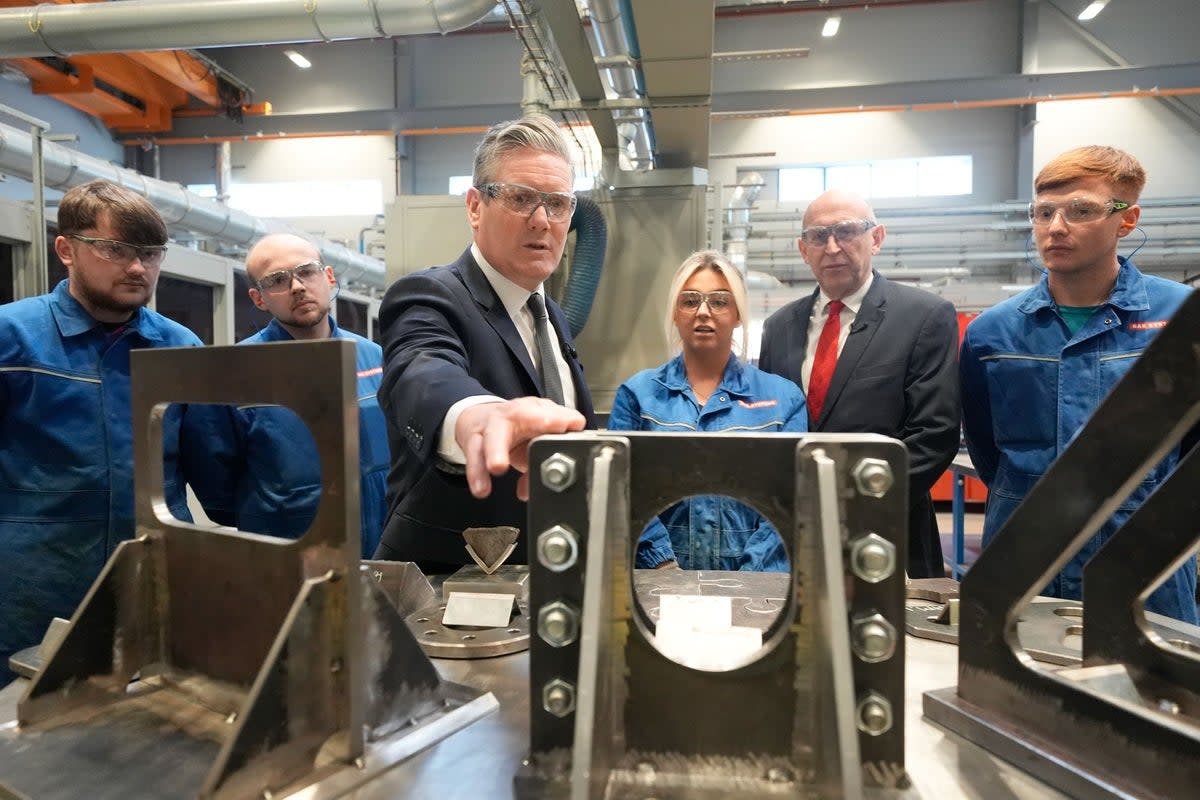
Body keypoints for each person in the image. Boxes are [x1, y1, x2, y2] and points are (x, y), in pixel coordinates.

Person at [960, 145, 1198, 623]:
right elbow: (989, 452)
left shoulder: (1180, 318)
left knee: (1151, 690)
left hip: (1146, 559)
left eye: (1081, 210)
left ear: (1126, 220)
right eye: (1043, 212)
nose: (1055, 227)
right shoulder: (992, 332)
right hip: (1023, 555)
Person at [0, 179, 201, 678]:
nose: (138, 268)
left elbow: (211, 467)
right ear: (66, 249)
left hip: (156, 579)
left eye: (151, 253)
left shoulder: (179, 347)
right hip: (34, 587)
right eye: (115, 249)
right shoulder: (11, 337)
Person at [373, 115, 592, 571]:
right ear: (475, 206)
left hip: (540, 574)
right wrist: (476, 415)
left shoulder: (549, 316)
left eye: (557, 204)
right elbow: (422, 369)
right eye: (521, 198)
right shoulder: (430, 295)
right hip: (444, 586)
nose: (541, 220)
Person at [758, 190, 960, 578]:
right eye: (818, 236)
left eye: (846, 231)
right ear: (803, 249)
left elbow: (935, 435)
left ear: (877, 238)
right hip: (792, 534)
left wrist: (855, 502)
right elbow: (771, 427)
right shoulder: (779, 327)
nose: (832, 247)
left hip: (887, 529)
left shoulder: (923, 317)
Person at [184, 233, 389, 558]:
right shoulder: (231, 373)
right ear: (259, 298)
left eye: (307, 271)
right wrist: (280, 516)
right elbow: (216, 491)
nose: (297, 286)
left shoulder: (373, 358)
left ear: (329, 277)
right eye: (277, 280)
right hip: (287, 562)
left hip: (380, 552)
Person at [608, 250, 808, 572]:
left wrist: (752, 580)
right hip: (656, 583)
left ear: (739, 313)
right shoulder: (638, 396)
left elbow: (791, 500)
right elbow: (619, 490)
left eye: (719, 301)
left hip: (757, 590)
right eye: (689, 301)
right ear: (675, 313)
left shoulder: (784, 400)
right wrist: (661, 564)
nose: (703, 312)